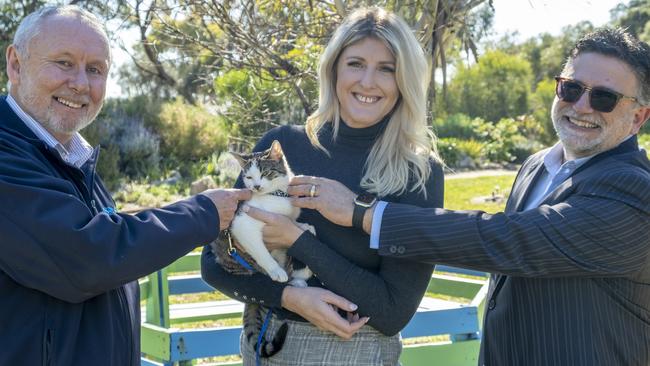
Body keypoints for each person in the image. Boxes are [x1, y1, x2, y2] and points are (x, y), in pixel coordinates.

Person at [246, 27, 650, 366]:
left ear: (638, 117)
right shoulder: (537, 166)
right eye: (572, 88)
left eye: (604, 97)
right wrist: (287, 294)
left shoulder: (633, 191)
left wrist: (360, 213)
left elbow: (507, 241)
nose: (582, 105)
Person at [0, 6, 251, 366]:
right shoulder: (6, 155)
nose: (81, 84)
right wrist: (205, 212)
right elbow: (90, 257)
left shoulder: (70, 158)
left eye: (95, 70)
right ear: (16, 64)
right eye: (64, 63)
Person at [201, 7, 444, 365]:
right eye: (356, 64)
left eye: (387, 69)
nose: (367, 82)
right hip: (265, 348)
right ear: (333, 69)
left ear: (404, 79)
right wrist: (289, 296)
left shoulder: (418, 172)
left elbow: (394, 312)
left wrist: (299, 241)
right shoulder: (281, 148)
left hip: (357, 354)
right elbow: (214, 263)